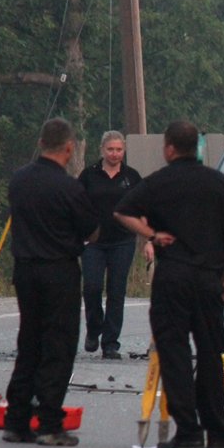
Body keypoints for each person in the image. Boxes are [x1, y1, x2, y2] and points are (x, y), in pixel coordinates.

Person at [114, 120, 224, 448]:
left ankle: (188, 431)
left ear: (169, 148)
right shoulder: (218, 183)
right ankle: (219, 434)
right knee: (211, 354)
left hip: (173, 276)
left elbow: (123, 211)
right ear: (196, 147)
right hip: (208, 278)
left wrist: (152, 235)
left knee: (175, 354)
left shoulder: (159, 181)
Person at [4, 118, 100, 446]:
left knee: (29, 341)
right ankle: (48, 422)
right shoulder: (69, 187)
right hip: (59, 270)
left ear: (41, 142)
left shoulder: (19, 180)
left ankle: (16, 420)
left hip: (25, 269)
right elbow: (91, 231)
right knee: (58, 344)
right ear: (69, 148)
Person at [78, 131, 150, 359]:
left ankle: (110, 343)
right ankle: (94, 328)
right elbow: (77, 206)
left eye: (119, 150)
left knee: (116, 291)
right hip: (93, 242)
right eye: (110, 149)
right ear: (102, 150)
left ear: (124, 151)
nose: (115, 154)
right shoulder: (89, 175)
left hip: (123, 241)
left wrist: (147, 241)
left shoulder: (132, 177)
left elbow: (143, 209)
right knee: (92, 287)